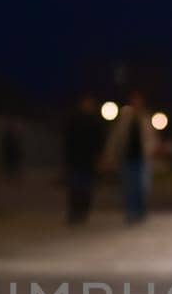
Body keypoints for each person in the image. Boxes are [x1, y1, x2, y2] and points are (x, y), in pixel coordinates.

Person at [99, 91, 159, 223]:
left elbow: (152, 139)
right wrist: (109, 155)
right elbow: (115, 138)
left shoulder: (145, 119)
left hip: (142, 158)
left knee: (141, 186)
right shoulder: (124, 119)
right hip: (127, 157)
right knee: (128, 186)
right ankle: (130, 212)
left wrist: (150, 151)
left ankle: (141, 210)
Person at [64, 95, 103, 224]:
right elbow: (68, 141)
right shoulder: (74, 120)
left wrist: (99, 157)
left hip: (89, 161)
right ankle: (74, 212)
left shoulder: (95, 122)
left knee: (86, 188)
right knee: (75, 187)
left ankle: (83, 212)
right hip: (76, 160)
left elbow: (99, 142)